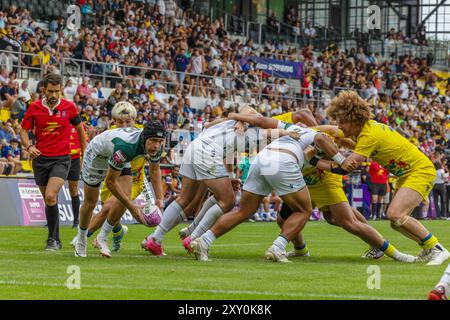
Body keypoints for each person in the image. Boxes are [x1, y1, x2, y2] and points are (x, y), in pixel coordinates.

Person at [142, 106, 298, 256]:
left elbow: (217, 130)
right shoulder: (259, 131)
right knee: (228, 200)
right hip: (207, 151)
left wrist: (230, 177)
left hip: (195, 147)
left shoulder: (229, 122)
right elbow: (253, 113)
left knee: (186, 199)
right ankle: (193, 238)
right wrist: (289, 133)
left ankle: (155, 239)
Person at [188, 112, 344, 262]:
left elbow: (261, 121)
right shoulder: (314, 134)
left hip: (262, 159)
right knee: (304, 210)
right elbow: (322, 138)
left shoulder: (292, 128)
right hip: (283, 160)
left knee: (243, 211)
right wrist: (340, 159)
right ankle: (277, 247)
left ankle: (204, 241)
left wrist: (237, 116)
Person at [326, 90, 449, 266]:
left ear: (354, 118)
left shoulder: (369, 135)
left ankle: (437, 249)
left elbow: (346, 167)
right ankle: (428, 248)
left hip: (419, 171)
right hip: (408, 174)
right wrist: (324, 136)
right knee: (396, 223)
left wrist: (315, 159)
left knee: (395, 214)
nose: (340, 125)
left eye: (343, 121)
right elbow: (341, 137)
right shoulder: (367, 130)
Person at [74, 118, 166, 258]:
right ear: (145, 138)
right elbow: (111, 182)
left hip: (119, 155)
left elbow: (154, 170)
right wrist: (133, 208)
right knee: (90, 202)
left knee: (126, 194)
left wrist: (159, 199)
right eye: (153, 141)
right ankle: (81, 239)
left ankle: (102, 237)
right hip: (97, 155)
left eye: (160, 142)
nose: (156, 146)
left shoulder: (157, 146)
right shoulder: (126, 147)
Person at [19, 73, 87, 250]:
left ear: (61, 90)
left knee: (51, 195)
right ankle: (55, 238)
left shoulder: (69, 107)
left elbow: (80, 130)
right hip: (40, 159)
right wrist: (28, 146)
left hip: (62, 159)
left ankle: (51, 239)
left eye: (57, 91)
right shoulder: (34, 108)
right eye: (50, 91)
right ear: (44, 90)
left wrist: (85, 153)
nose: (54, 95)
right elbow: (24, 131)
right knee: (49, 200)